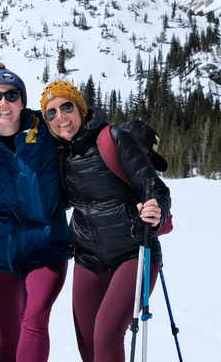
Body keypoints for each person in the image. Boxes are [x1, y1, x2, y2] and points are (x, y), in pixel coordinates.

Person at [39, 79, 171, 362]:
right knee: (87, 345)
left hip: (134, 253)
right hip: (88, 258)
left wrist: (157, 209)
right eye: (51, 113)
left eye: (66, 107)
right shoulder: (61, 154)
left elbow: (155, 187)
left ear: (81, 108)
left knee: (107, 333)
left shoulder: (113, 138)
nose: (60, 117)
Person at [0, 62, 70, 362]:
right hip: (0, 252)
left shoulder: (46, 131)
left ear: (23, 100)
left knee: (35, 320)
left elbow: (82, 129)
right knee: (7, 338)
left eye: (12, 94)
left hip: (47, 247)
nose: (4, 103)